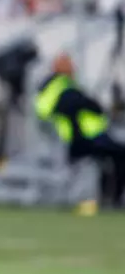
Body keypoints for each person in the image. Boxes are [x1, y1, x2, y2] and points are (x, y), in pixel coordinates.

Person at [36, 53, 125, 209]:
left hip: (84, 138)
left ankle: (109, 197)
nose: (74, 69)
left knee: (111, 158)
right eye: (70, 66)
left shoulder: (54, 88)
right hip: (84, 139)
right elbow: (85, 105)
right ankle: (113, 199)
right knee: (120, 155)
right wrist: (95, 107)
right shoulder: (63, 87)